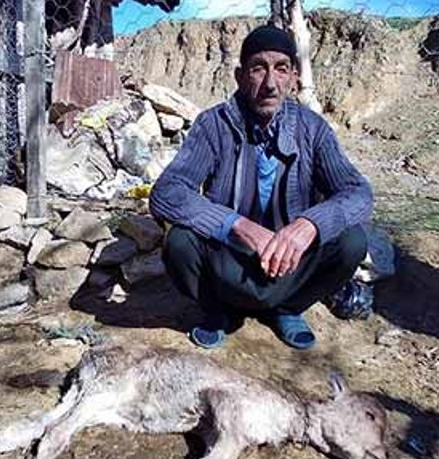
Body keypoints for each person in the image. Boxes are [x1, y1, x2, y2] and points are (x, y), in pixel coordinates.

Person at [149, 25, 374, 350]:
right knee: (180, 242)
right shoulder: (214, 124)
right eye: (258, 68)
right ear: (240, 76)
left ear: (294, 77)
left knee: (352, 242)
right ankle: (217, 312)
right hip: (229, 259)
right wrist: (238, 226)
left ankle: (288, 308)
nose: (270, 83)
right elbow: (167, 192)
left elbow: (359, 194)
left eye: (281, 69)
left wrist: (307, 226)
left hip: (290, 263)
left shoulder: (313, 129)